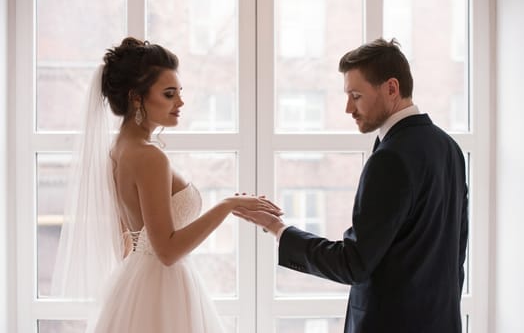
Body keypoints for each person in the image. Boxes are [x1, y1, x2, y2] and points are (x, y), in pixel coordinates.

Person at [233, 38, 469, 333]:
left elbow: (352, 264)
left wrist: (279, 229)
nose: (348, 108)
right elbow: (456, 254)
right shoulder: (449, 148)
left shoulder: (391, 158)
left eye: (356, 95)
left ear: (391, 88)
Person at [51, 37, 282, 333]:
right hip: (161, 287)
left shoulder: (118, 149)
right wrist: (228, 205)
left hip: (138, 283)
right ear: (137, 97)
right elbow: (167, 251)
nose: (180, 102)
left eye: (179, 93)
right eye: (169, 94)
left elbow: (128, 238)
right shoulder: (149, 156)